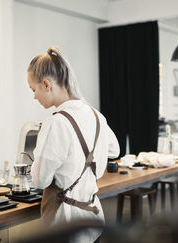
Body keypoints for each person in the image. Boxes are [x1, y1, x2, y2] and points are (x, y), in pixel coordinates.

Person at [28, 46, 120, 242]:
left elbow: (40, 180)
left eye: (33, 89)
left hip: (64, 225)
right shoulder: (95, 115)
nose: (34, 96)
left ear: (46, 84)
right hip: (92, 219)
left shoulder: (55, 122)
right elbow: (114, 149)